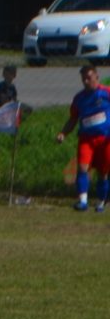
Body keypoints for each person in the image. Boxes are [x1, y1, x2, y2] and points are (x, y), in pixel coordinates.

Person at [58, 64, 110, 212]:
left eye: (89, 78)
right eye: (83, 79)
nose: (86, 82)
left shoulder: (106, 93)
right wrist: (63, 133)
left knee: (103, 172)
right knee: (82, 168)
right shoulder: (79, 98)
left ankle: (101, 202)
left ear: (97, 77)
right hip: (86, 139)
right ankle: (82, 201)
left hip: (105, 139)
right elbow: (73, 119)